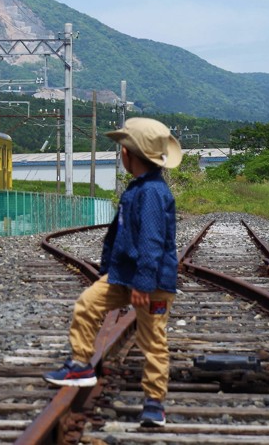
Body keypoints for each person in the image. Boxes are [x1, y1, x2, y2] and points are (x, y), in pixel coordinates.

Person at [43, 117, 182, 428]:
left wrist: (144, 283)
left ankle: (154, 403)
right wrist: (108, 270)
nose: (120, 153)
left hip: (152, 282)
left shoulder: (151, 194)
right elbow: (119, 234)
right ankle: (80, 364)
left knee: (152, 339)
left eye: (123, 147)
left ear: (131, 154)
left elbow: (151, 241)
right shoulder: (138, 188)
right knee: (88, 304)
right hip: (123, 276)